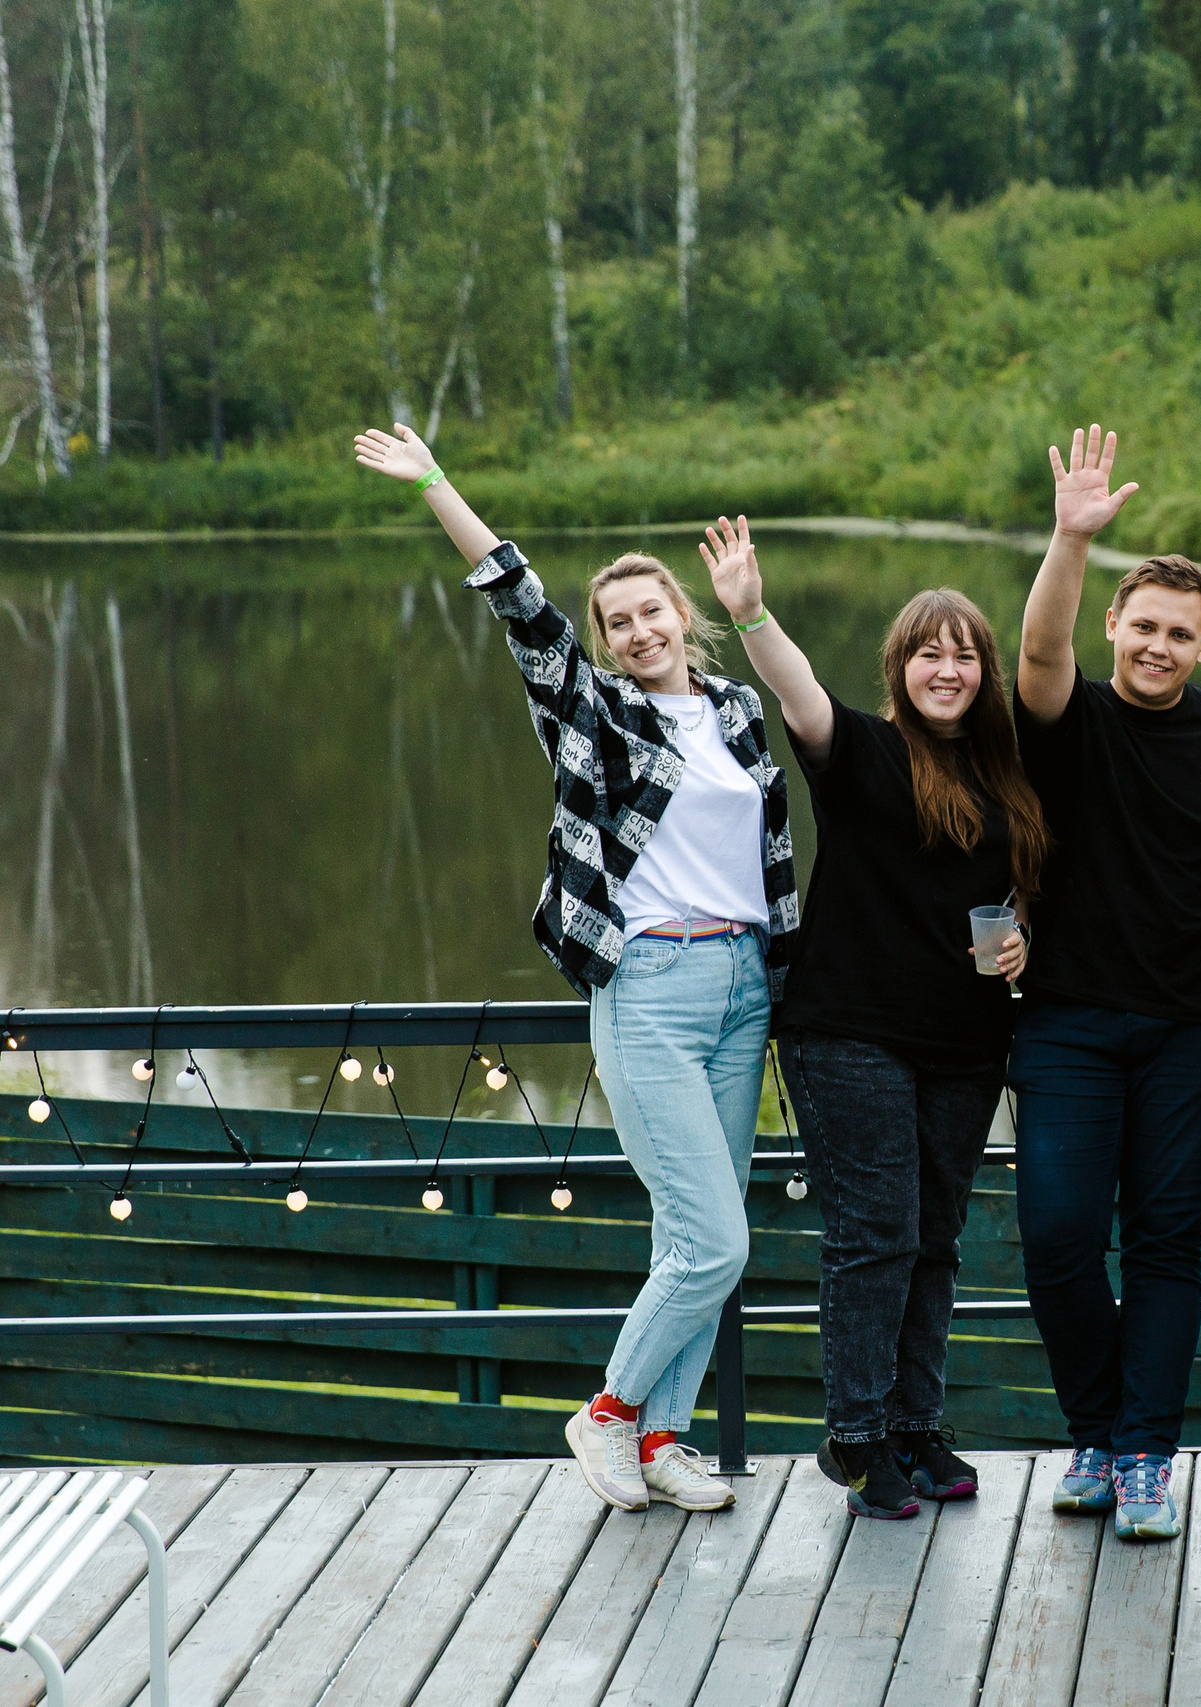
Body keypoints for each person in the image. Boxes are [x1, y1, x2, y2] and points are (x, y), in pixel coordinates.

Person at [352, 423, 797, 1518]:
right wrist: (440, 485)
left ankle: (662, 1440)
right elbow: (518, 600)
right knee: (717, 1239)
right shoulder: (593, 714)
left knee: (692, 1231)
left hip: (743, 987)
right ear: (603, 639)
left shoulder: (736, 714)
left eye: (653, 611)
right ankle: (606, 1413)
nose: (639, 630)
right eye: (618, 621)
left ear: (682, 617)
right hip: (646, 988)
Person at [702, 519, 1040, 1523]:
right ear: (901, 667)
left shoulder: (1008, 778)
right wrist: (750, 610)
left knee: (933, 1238)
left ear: (984, 672)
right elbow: (793, 691)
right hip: (850, 1030)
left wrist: (1023, 932)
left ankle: (913, 1426)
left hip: (966, 1037)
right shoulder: (858, 751)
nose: (949, 668)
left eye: (965, 654)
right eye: (928, 653)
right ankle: (853, 1439)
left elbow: (1018, 892)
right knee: (875, 1233)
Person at [1011, 425, 1201, 1542]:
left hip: (1195, 1032)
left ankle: (1142, 1459)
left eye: (1181, 633)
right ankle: (1091, 1429)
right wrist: (1070, 539)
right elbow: (1034, 655)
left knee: (1166, 1243)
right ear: (1113, 628)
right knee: (1059, 1234)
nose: (1159, 647)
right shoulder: (1068, 719)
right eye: (1144, 627)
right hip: (1068, 1023)